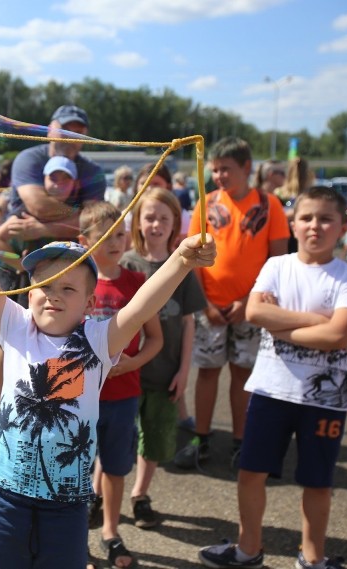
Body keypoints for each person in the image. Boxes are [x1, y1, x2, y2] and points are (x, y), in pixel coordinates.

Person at [0, 182, 216, 569]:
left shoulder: (98, 339)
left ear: (90, 303)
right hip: (7, 495)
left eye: (68, 288)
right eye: (44, 285)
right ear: (29, 292)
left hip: (68, 500)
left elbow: (141, 307)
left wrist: (181, 260)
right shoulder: (15, 325)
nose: (52, 295)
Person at [198, 186, 347, 569]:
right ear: (293, 223)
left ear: (341, 226)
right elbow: (256, 313)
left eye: (326, 219)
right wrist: (320, 322)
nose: (315, 226)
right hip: (271, 389)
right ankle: (248, 549)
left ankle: (313, 556)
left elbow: (338, 336)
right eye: (307, 218)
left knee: (318, 481)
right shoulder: (277, 266)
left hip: (325, 400)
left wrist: (284, 324)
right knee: (252, 472)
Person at [0, 105, 105, 428]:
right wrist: (72, 216)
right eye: (66, 127)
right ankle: (0, 402)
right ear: (49, 128)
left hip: (62, 264)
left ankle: (51, 405)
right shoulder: (29, 158)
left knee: (60, 331)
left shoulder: (94, 170)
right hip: (20, 264)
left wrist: (41, 228)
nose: (72, 134)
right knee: (8, 334)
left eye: (79, 129)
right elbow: (35, 206)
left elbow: (94, 221)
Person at [175, 136, 289, 471]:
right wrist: (205, 303)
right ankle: (201, 438)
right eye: (216, 170)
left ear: (247, 167)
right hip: (210, 307)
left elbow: (277, 259)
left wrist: (246, 300)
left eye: (226, 169)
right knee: (207, 373)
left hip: (250, 308)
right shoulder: (206, 204)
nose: (220, 176)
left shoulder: (270, 205)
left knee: (243, 374)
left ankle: (242, 442)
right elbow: (192, 256)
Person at [79, 201, 162, 569]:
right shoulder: (75, 281)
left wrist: (132, 362)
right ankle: (75, 538)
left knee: (114, 469)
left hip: (123, 396)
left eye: (119, 235)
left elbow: (156, 340)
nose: (114, 243)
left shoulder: (137, 283)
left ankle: (111, 531)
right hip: (80, 399)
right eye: (104, 237)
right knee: (78, 470)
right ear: (85, 240)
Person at [121, 187, 206, 529]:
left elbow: (188, 324)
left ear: (176, 224)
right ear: (138, 223)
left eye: (164, 218)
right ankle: (98, 496)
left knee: (154, 438)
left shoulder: (183, 267)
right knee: (114, 438)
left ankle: (140, 495)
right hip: (126, 373)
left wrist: (184, 372)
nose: (156, 224)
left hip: (165, 372)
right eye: (149, 217)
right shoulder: (126, 263)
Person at [0, 155, 80, 273]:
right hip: (34, 283)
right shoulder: (27, 211)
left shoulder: (79, 210)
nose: (58, 185)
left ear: (75, 183)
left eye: (65, 179)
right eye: (53, 178)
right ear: (44, 180)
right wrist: (21, 265)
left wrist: (43, 229)